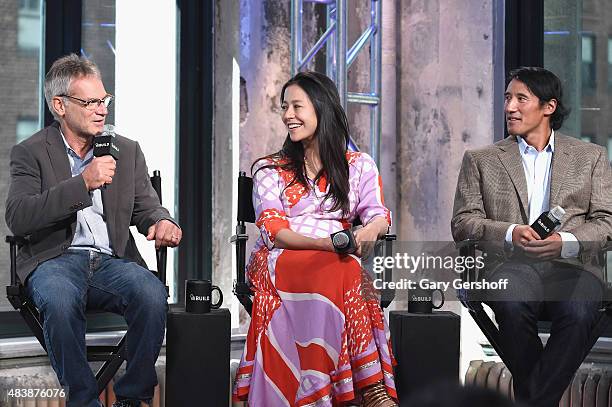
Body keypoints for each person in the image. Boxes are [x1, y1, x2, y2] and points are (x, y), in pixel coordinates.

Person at [5, 54, 182, 407]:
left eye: (104, 100)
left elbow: (146, 207)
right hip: (55, 259)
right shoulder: (31, 153)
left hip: (111, 262)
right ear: (60, 105)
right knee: (58, 298)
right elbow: (19, 216)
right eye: (90, 102)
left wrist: (162, 222)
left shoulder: (125, 150)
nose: (102, 110)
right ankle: (84, 401)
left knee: (150, 294)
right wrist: (82, 183)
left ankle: (132, 398)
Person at [232, 71, 398, 406]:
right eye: (284, 107)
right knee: (345, 270)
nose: (287, 115)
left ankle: (333, 390)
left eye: (296, 106)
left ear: (322, 109)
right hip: (279, 259)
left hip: (336, 261)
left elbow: (379, 215)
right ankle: (370, 388)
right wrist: (331, 243)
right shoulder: (269, 169)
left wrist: (368, 230)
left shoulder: (359, 165)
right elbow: (273, 232)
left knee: (344, 271)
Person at [451, 66, 612, 407]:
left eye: (521, 98)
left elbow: (606, 222)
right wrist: (510, 233)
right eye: (508, 98)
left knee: (581, 310)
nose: (510, 106)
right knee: (511, 302)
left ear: (548, 107)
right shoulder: (481, 160)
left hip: (574, 266)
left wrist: (565, 242)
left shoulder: (591, 157)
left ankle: (533, 401)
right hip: (512, 266)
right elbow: (463, 223)